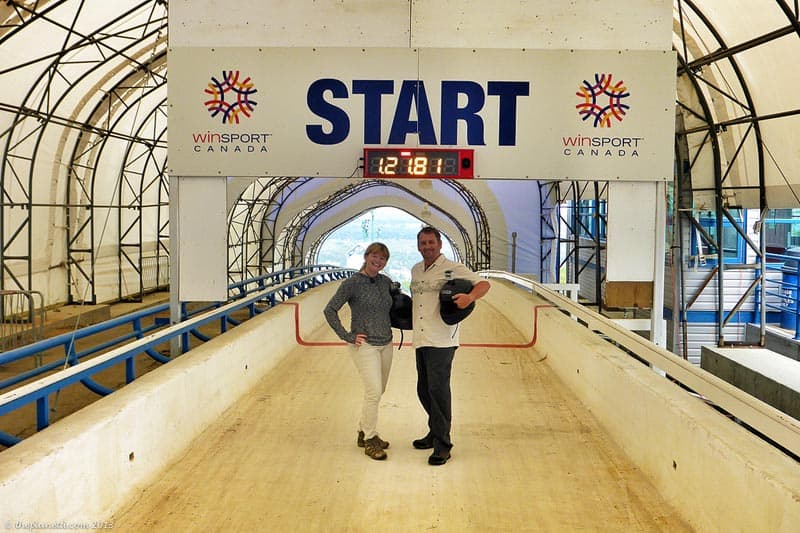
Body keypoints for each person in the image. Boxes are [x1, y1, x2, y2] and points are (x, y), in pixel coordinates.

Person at [410, 226, 490, 466]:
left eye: (431, 242)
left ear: (440, 244)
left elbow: (483, 284)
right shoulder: (416, 270)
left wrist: (469, 298)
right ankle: (434, 432)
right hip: (421, 337)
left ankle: (443, 445)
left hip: (443, 339)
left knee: (438, 390)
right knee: (424, 389)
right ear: (418, 246)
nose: (427, 247)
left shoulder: (453, 267)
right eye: (423, 243)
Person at [324, 242, 395, 461]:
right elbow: (330, 309)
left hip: (387, 342)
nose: (378, 260)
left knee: (379, 390)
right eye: (375, 256)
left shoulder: (385, 282)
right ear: (366, 256)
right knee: (373, 391)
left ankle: (363, 430)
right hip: (364, 345)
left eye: (383, 258)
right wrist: (347, 335)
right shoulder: (352, 283)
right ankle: (370, 439)